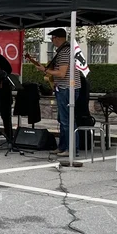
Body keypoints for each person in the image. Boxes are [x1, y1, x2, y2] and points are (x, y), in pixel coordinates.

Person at [34, 28, 82, 157]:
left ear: (59, 38)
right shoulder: (65, 51)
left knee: (67, 120)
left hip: (66, 88)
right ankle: (62, 147)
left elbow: (61, 73)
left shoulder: (65, 52)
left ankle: (71, 149)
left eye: (53, 38)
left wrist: (45, 70)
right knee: (63, 120)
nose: (52, 41)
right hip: (65, 87)